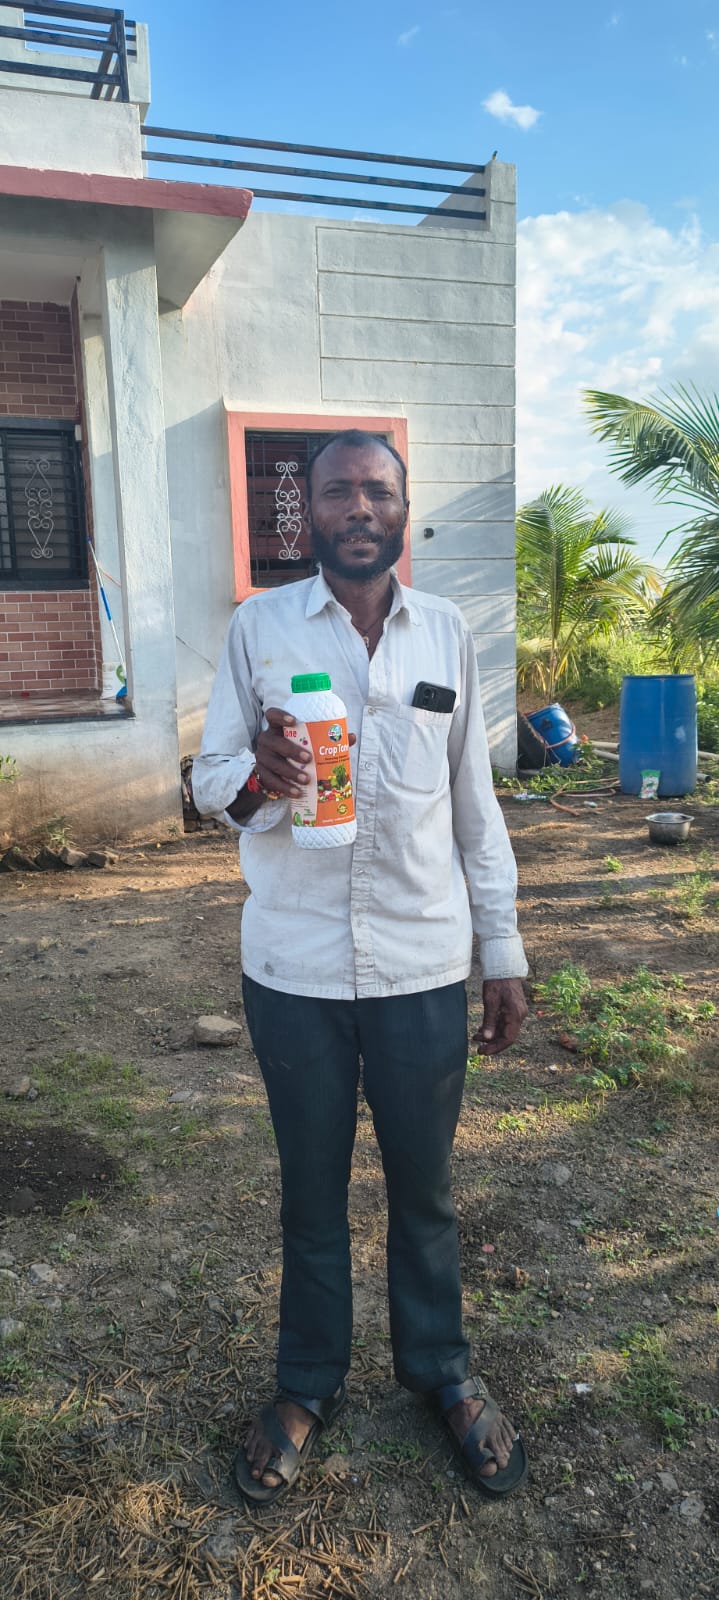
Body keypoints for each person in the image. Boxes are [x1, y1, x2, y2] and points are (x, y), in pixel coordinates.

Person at [192, 429, 529, 1506]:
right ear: (308, 510)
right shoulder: (260, 626)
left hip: (421, 964)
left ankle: (440, 1371)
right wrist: (261, 776)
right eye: (336, 490)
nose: (357, 508)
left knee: (424, 1190)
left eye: (376, 490)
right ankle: (305, 1383)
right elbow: (208, 780)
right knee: (310, 1192)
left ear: (401, 509)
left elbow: (473, 806)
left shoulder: (446, 632)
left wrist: (500, 951)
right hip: (293, 968)